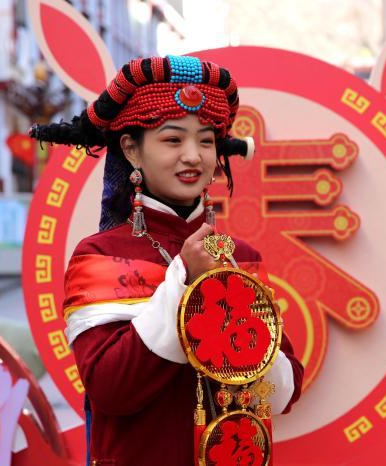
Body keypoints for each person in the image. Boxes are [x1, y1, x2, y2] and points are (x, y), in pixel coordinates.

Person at [30, 55, 304, 465]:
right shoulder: (101, 255)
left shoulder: (240, 257)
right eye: (173, 140)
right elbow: (111, 390)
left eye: (206, 140)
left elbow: (286, 390)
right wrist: (188, 286)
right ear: (131, 150)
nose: (193, 156)